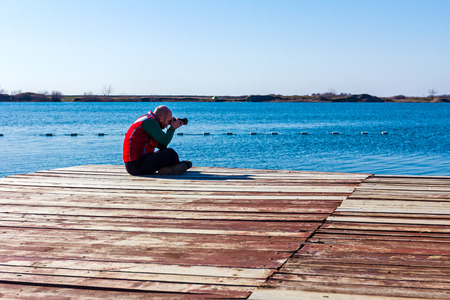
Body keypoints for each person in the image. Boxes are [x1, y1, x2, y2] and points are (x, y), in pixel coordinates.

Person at [123, 105, 192, 175]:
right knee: (171, 153)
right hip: (136, 165)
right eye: (169, 121)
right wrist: (172, 128)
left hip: (135, 165)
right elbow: (165, 141)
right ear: (161, 119)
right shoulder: (150, 122)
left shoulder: (147, 119)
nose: (168, 124)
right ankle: (179, 167)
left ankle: (172, 168)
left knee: (166, 152)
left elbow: (162, 146)